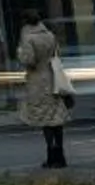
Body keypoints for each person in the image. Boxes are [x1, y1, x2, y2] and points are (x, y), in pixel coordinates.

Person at [16, 14, 71, 169]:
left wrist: (20, 52)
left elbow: (29, 60)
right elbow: (57, 55)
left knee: (45, 120)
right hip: (53, 78)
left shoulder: (28, 37)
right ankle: (61, 155)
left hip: (38, 82)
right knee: (57, 118)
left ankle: (51, 156)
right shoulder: (50, 35)